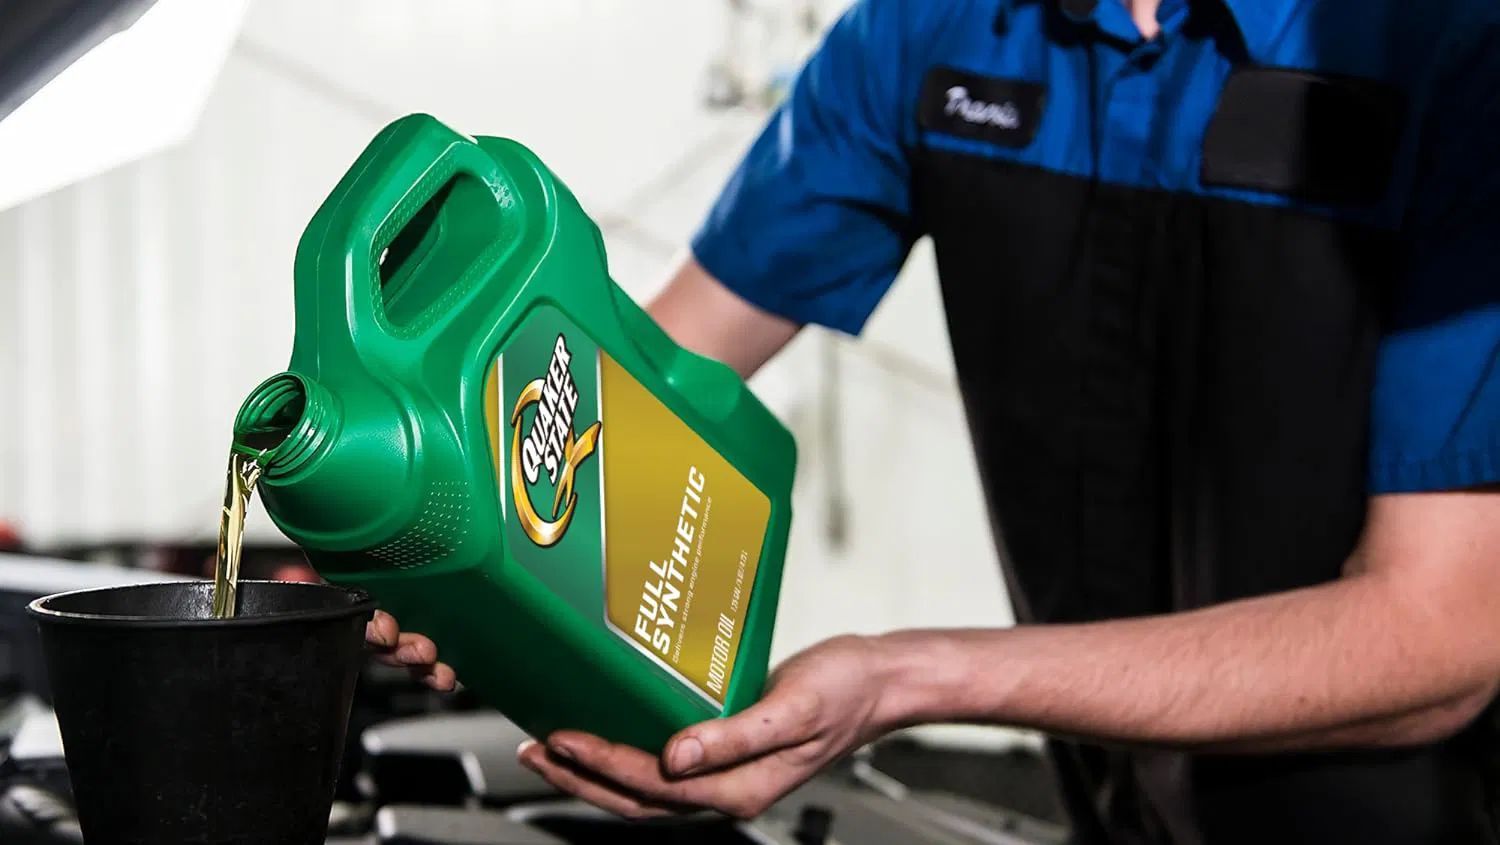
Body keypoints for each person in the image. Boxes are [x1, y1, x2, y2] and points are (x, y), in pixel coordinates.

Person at [370, 0, 1500, 840]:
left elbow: (1443, 633)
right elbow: (644, 390)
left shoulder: (1449, 45)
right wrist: (460, 529)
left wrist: (905, 676)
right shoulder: (927, 32)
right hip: (1102, 806)